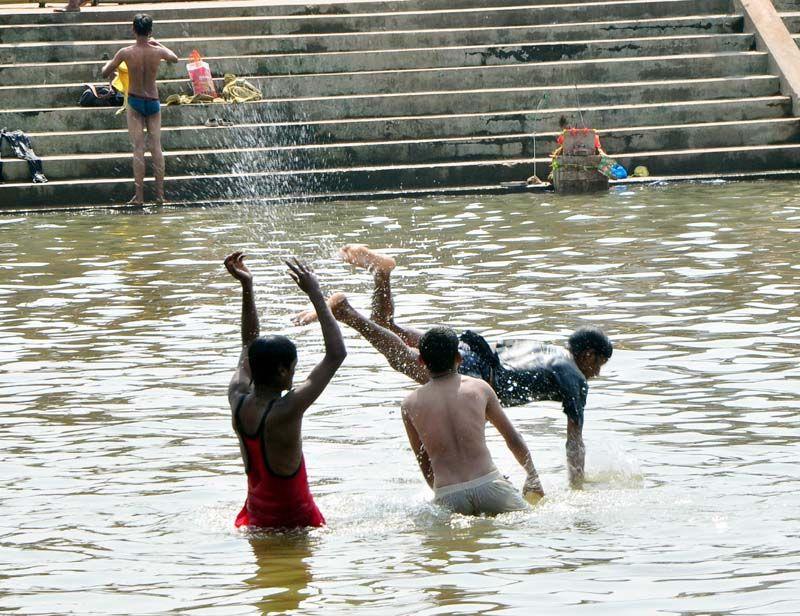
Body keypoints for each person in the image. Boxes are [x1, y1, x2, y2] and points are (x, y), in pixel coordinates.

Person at [294, 245, 612, 488]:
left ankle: (382, 271)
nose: (596, 373)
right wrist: (578, 487)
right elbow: (574, 441)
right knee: (400, 358)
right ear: (588, 355)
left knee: (386, 326)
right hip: (473, 371)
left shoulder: (549, 349)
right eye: (599, 364)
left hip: (466, 347)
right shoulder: (575, 378)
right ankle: (345, 311)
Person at [225, 252, 346, 530]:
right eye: (293, 368)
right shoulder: (286, 410)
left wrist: (247, 286)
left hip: (256, 519)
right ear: (282, 371)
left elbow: (248, 345)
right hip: (297, 522)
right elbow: (336, 354)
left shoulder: (237, 398)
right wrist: (316, 295)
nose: (294, 374)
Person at [402, 326, 542, 515]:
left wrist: (442, 492)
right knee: (530, 520)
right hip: (489, 484)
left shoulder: (410, 404)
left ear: (420, 361)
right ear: (459, 357)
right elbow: (512, 438)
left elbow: (424, 460)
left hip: (449, 494)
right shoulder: (480, 388)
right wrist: (532, 476)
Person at [101, 14, 178, 206]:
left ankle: (139, 197)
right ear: (150, 31)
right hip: (153, 100)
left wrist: (110, 65)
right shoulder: (157, 52)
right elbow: (174, 58)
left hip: (135, 102)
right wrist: (158, 44)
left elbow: (105, 72)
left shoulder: (125, 52)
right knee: (156, 148)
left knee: (138, 149)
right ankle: (160, 196)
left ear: (133, 30)